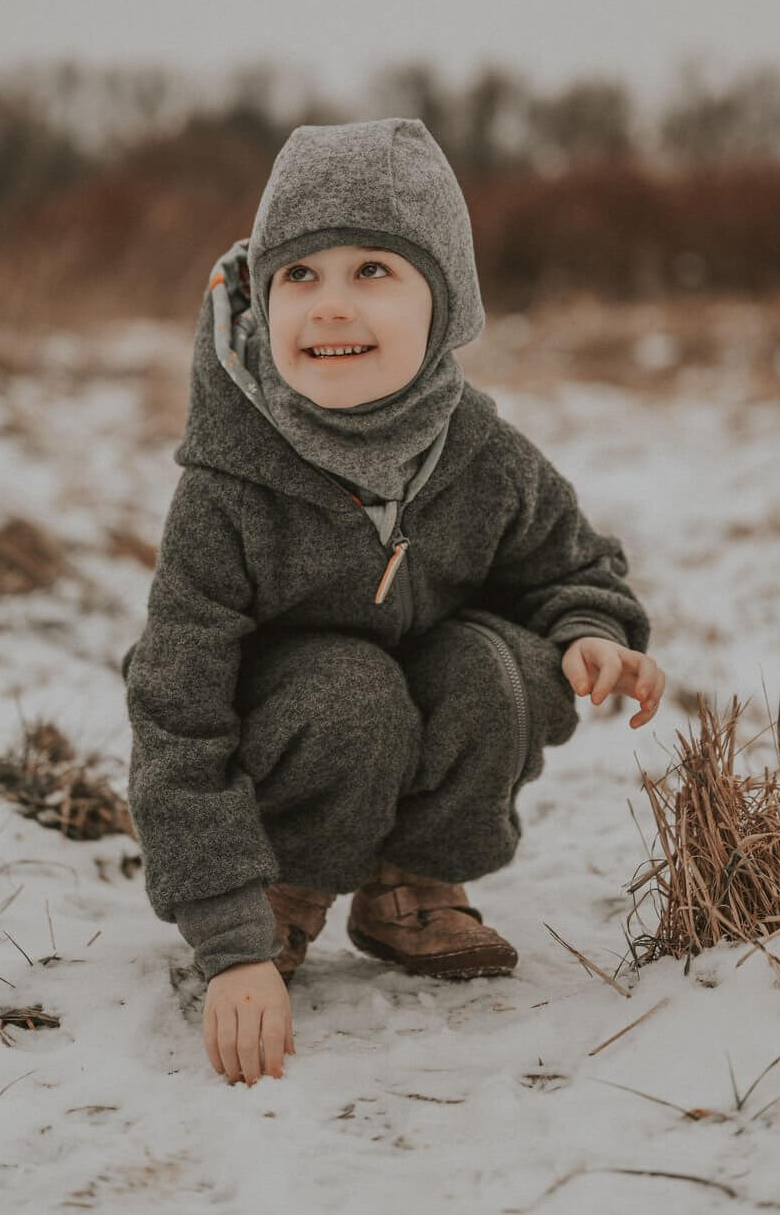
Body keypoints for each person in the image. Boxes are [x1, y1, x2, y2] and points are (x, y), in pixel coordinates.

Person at [122, 118, 664, 1089]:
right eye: (299, 274)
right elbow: (177, 708)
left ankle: (409, 882)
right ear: (259, 290)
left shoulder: (479, 455)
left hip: (421, 708)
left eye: (373, 269)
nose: (329, 305)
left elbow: (569, 561)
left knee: (488, 668)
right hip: (289, 739)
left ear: (443, 304)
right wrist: (227, 937)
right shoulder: (227, 488)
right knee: (348, 685)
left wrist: (590, 631)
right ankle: (285, 887)